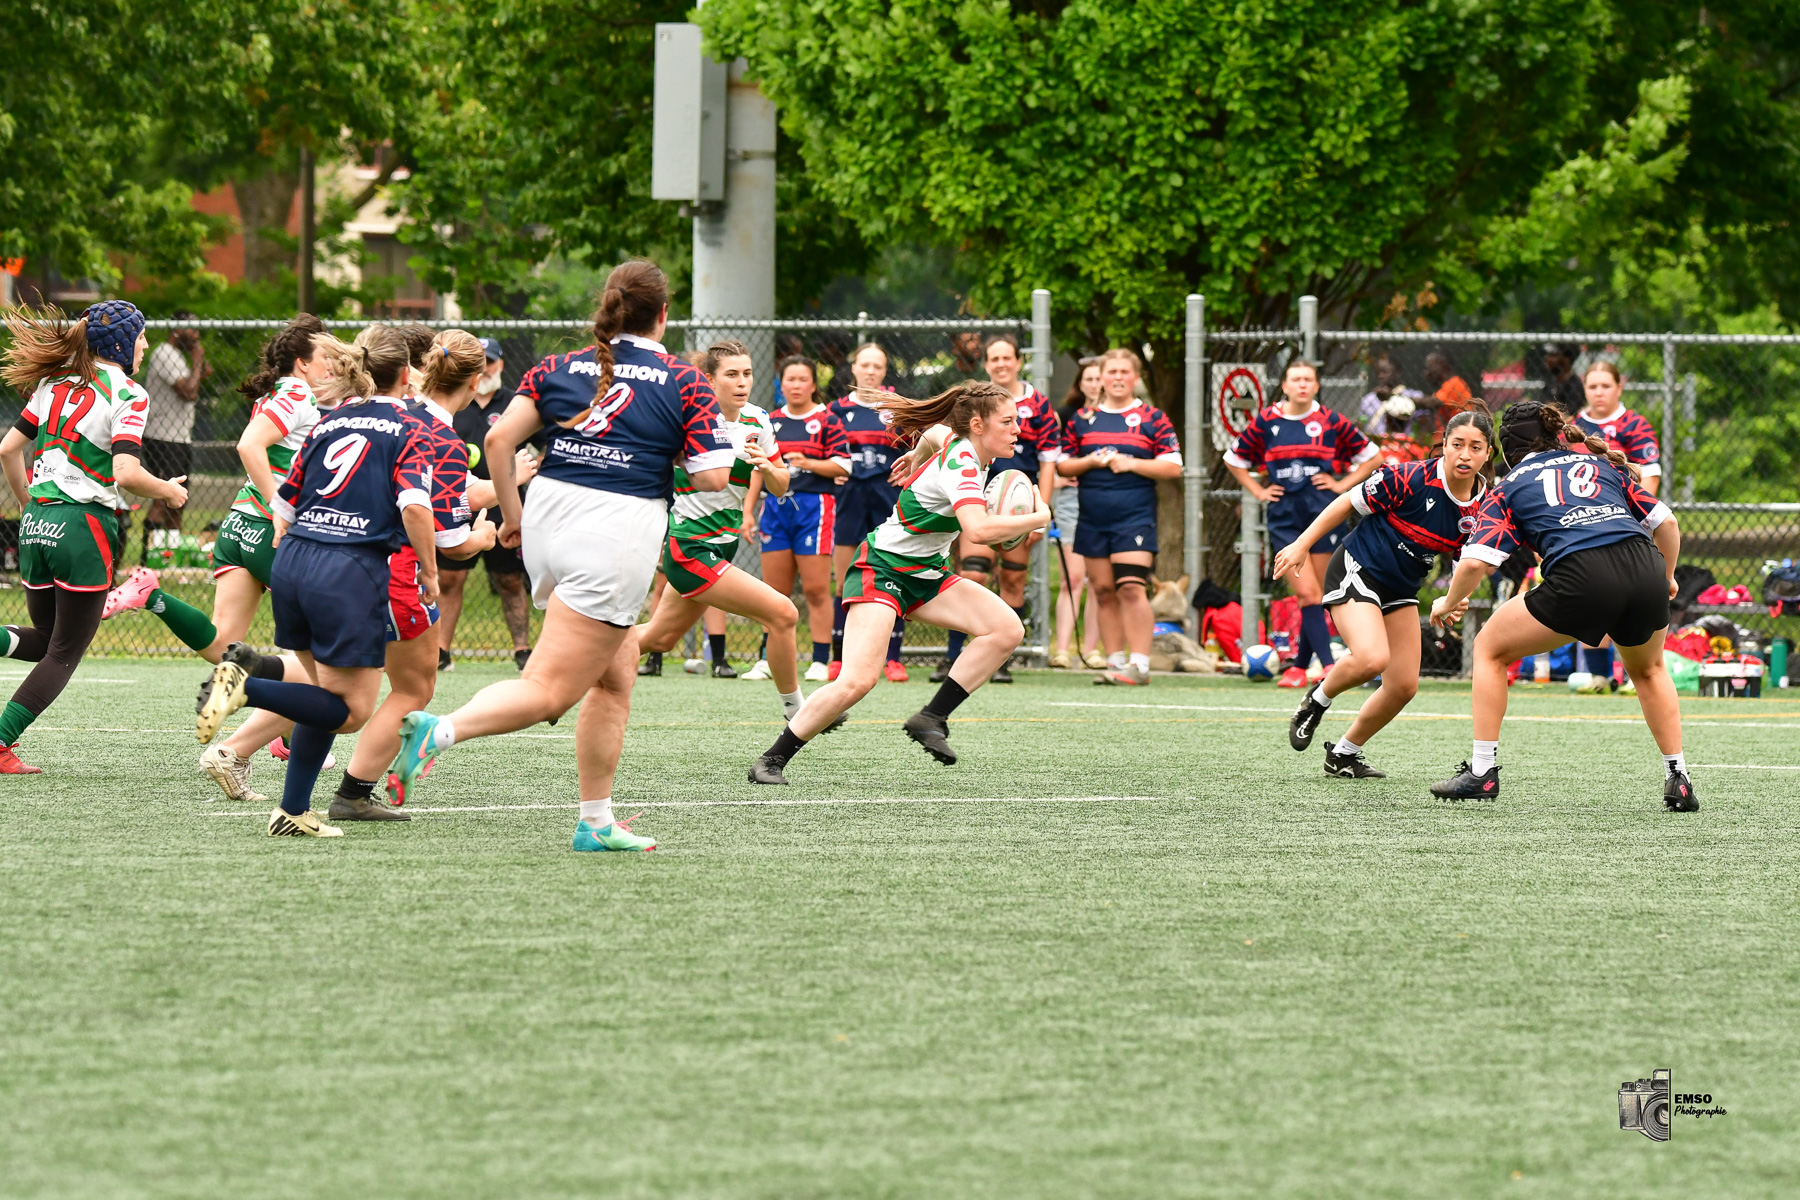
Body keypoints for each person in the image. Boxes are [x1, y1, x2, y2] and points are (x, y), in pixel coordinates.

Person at [387, 260, 736, 853]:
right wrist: (691, 442)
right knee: (550, 689)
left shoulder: (558, 364)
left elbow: (499, 441)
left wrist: (512, 516)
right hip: (616, 528)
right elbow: (714, 477)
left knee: (616, 674)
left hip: (549, 515)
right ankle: (439, 731)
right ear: (663, 315)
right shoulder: (685, 380)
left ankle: (595, 821)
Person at [193, 325, 440, 837]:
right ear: (404, 373)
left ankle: (293, 810)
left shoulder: (331, 420)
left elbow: (286, 496)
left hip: (295, 558)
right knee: (350, 711)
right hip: (347, 570)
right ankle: (245, 687)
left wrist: (293, 533)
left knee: (322, 692)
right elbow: (415, 507)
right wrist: (430, 570)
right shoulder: (411, 425)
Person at [747, 381, 1050, 784]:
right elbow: (977, 530)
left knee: (1006, 629)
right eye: (1009, 421)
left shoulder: (961, 444)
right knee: (858, 679)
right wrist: (1038, 517)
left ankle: (931, 717)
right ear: (978, 424)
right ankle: (771, 760)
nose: (1018, 430)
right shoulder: (962, 462)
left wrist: (917, 454)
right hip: (884, 568)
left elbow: (934, 432)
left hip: (925, 573)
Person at [1426, 400, 1693, 810]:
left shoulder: (1509, 486)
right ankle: (1679, 778)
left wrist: (1449, 599)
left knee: (1488, 649)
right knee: (1650, 670)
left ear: (1508, 449)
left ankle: (1482, 773)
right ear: (1556, 436)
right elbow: (1667, 523)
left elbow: (1476, 561)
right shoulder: (1602, 466)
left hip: (1583, 578)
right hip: (1645, 570)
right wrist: (1668, 577)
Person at [0, 302, 189, 773]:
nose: (145, 344)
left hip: (38, 522)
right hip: (82, 528)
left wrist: (29, 504)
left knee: (46, 641)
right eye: (142, 336)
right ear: (124, 343)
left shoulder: (52, 383)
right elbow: (125, 473)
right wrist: (168, 490)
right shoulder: (128, 392)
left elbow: (7, 449)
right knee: (65, 651)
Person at [1277, 409, 1495, 778]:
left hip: (1400, 588)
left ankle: (1343, 754)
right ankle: (1317, 699)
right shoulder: (1410, 477)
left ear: (1487, 454)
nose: (1465, 455)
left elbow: (1470, 560)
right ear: (1443, 445)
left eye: (1475, 447)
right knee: (1371, 659)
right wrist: (1301, 544)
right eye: (1457, 445)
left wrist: (1456, 598)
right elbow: (1346, 501)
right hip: (1357, 569)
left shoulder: (1481, 504)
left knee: (1403, 686)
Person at [636, 339, 814, 717]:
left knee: (659, 638)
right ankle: (798, 711)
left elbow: (782, 485)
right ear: (709, 380)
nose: (741, 382)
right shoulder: (687, 421)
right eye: (731, 374)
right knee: (783, 613)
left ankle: (573, 662)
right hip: (690, 548)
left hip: (724, 544)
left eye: (747, 373)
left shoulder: (758, 420)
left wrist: (769, 468)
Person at [1224, 359, 1379, 687]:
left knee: (1320, 595)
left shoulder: (1330, 421)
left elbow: (1372, 456)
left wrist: (1340, 485)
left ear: (1317, 385)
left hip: (1323, 516)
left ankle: (1297, 666)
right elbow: (1234, 458)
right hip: (1284, 520)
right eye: (1296, 379)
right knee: (1307, 593)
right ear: (1285, 385)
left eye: (1308, 379)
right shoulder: (1268, 420)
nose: (1302, 385)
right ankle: (1326, 666)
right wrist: (1258, 490)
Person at [932, 333, 1060, 685]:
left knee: (1014, 578)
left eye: (1008, 358)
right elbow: (941, 438)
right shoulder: (976, 406)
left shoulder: (1040, 407)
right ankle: (953, 656)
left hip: (1017, 505)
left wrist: (1039, 513)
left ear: (1019, 361)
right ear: (986, 364)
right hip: (975, 501)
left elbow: (1048, 463)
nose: (1001, 364)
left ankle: (1001, 659)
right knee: (973, 573)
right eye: (994, 359)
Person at [1053, 349, 1183, 685]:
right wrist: (1091, 461)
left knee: (1130, 587)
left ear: (1136, 377)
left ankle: (1139, 665)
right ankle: (1114, 662)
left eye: (1126, 372)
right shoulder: (1082, 419)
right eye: (1112, 372)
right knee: (1104, 590)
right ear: (1101, 377)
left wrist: (1131, 463)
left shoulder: (1153, 418)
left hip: (1135, 517)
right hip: (1092, 517)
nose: (1118, 378)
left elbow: (1172, 465)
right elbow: (1063, 464)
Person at [438, 336, 537, 672]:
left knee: (508, 579)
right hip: (453, 502)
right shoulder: (453, 405)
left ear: (501, 365)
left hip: (503, 505)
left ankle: (522, 650)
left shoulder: (516, 403)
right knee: (449, 579)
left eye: (490, 362)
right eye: (479, 363)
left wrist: (534, 473)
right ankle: (440, 651)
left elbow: (547, 443)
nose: (485, 369)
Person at [749, 355, 849, 683]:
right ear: (782, 384)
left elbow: (843, 466)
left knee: (817, 589)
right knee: (773, 591)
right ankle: (766, 658)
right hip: (775, 508)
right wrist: (748, 511)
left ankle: (821, 660)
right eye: (789, 379)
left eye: (802, 379)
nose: (795, 385)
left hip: (814, 508)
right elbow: (756, 470)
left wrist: (807, 463)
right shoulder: (769, 421)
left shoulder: (828, 420)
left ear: (812, 384)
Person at [1568, 359, 1663, 684]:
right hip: (1581, 524)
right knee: (1592, 597)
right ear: (1584, 388)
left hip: (1624, 523)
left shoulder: (1635, 424)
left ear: (1619, 387)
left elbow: (1649, 477)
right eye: (1592, 386)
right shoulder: (1572, 426)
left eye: (1605, 386)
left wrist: (1634, 518)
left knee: (1625, 599)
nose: (1599, 393)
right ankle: (1598, 679)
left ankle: (1630, 676)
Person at [828, 342, 911, 683]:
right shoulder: (834, 410)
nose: (871, 371)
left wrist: (909, 472)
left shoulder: (897, 409)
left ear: (884, 371)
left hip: (885, 497)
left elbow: (917, 449)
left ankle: (892, 659)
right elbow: (827, 452)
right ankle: (838, 657)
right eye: (865, 365)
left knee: (892, 571)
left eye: (878, 366)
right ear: (854, 369)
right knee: (844, 574)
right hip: (848, 497)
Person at [139, 313, 208, 558]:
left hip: (178, 437)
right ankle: (148, 557)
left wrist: (197, 360)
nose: (197, 334)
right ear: (177, 329)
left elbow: (205, 374)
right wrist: (197, 359)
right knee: (163, 494)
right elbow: (189, 391)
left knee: (179, 499)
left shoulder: (178, 355)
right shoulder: (164, 353)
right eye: (191, 328)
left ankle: (169, 555)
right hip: (162, 436)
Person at [1049, 357, 1104, 669]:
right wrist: (1057, 480)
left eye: (1100, 379)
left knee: (1099, 580)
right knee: (1074, 577)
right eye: (1089, 379)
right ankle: (1062, 649)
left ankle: (1093, 650)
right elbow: (1053, 459)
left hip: (1102, 500)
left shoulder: (1117, 418)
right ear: (1080, 383)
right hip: (1071, 499)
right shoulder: (1066, 416)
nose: (1095, 384)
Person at [1417, 350, 1474, 439]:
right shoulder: (1444, 387)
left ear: (1442, 365)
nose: (1426, 372)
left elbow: (1432, 402)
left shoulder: (1454, 383)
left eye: (1429, 368)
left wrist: (1406, 398)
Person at [1540, 342, 1585, 415]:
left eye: (1553, 355)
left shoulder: (1574, 386)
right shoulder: (1551, 382)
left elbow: (1571, 413)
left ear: (1567, 358)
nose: (1547, 358)